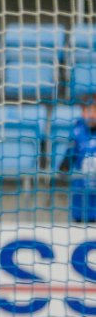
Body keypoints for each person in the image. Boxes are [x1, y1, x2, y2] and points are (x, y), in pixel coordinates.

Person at [58, 93, 96, 222]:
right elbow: (66, 162)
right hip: (81, 203)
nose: (90, 115)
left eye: (94, 111)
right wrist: (63, 168)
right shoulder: (78, 130)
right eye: (86, 111)